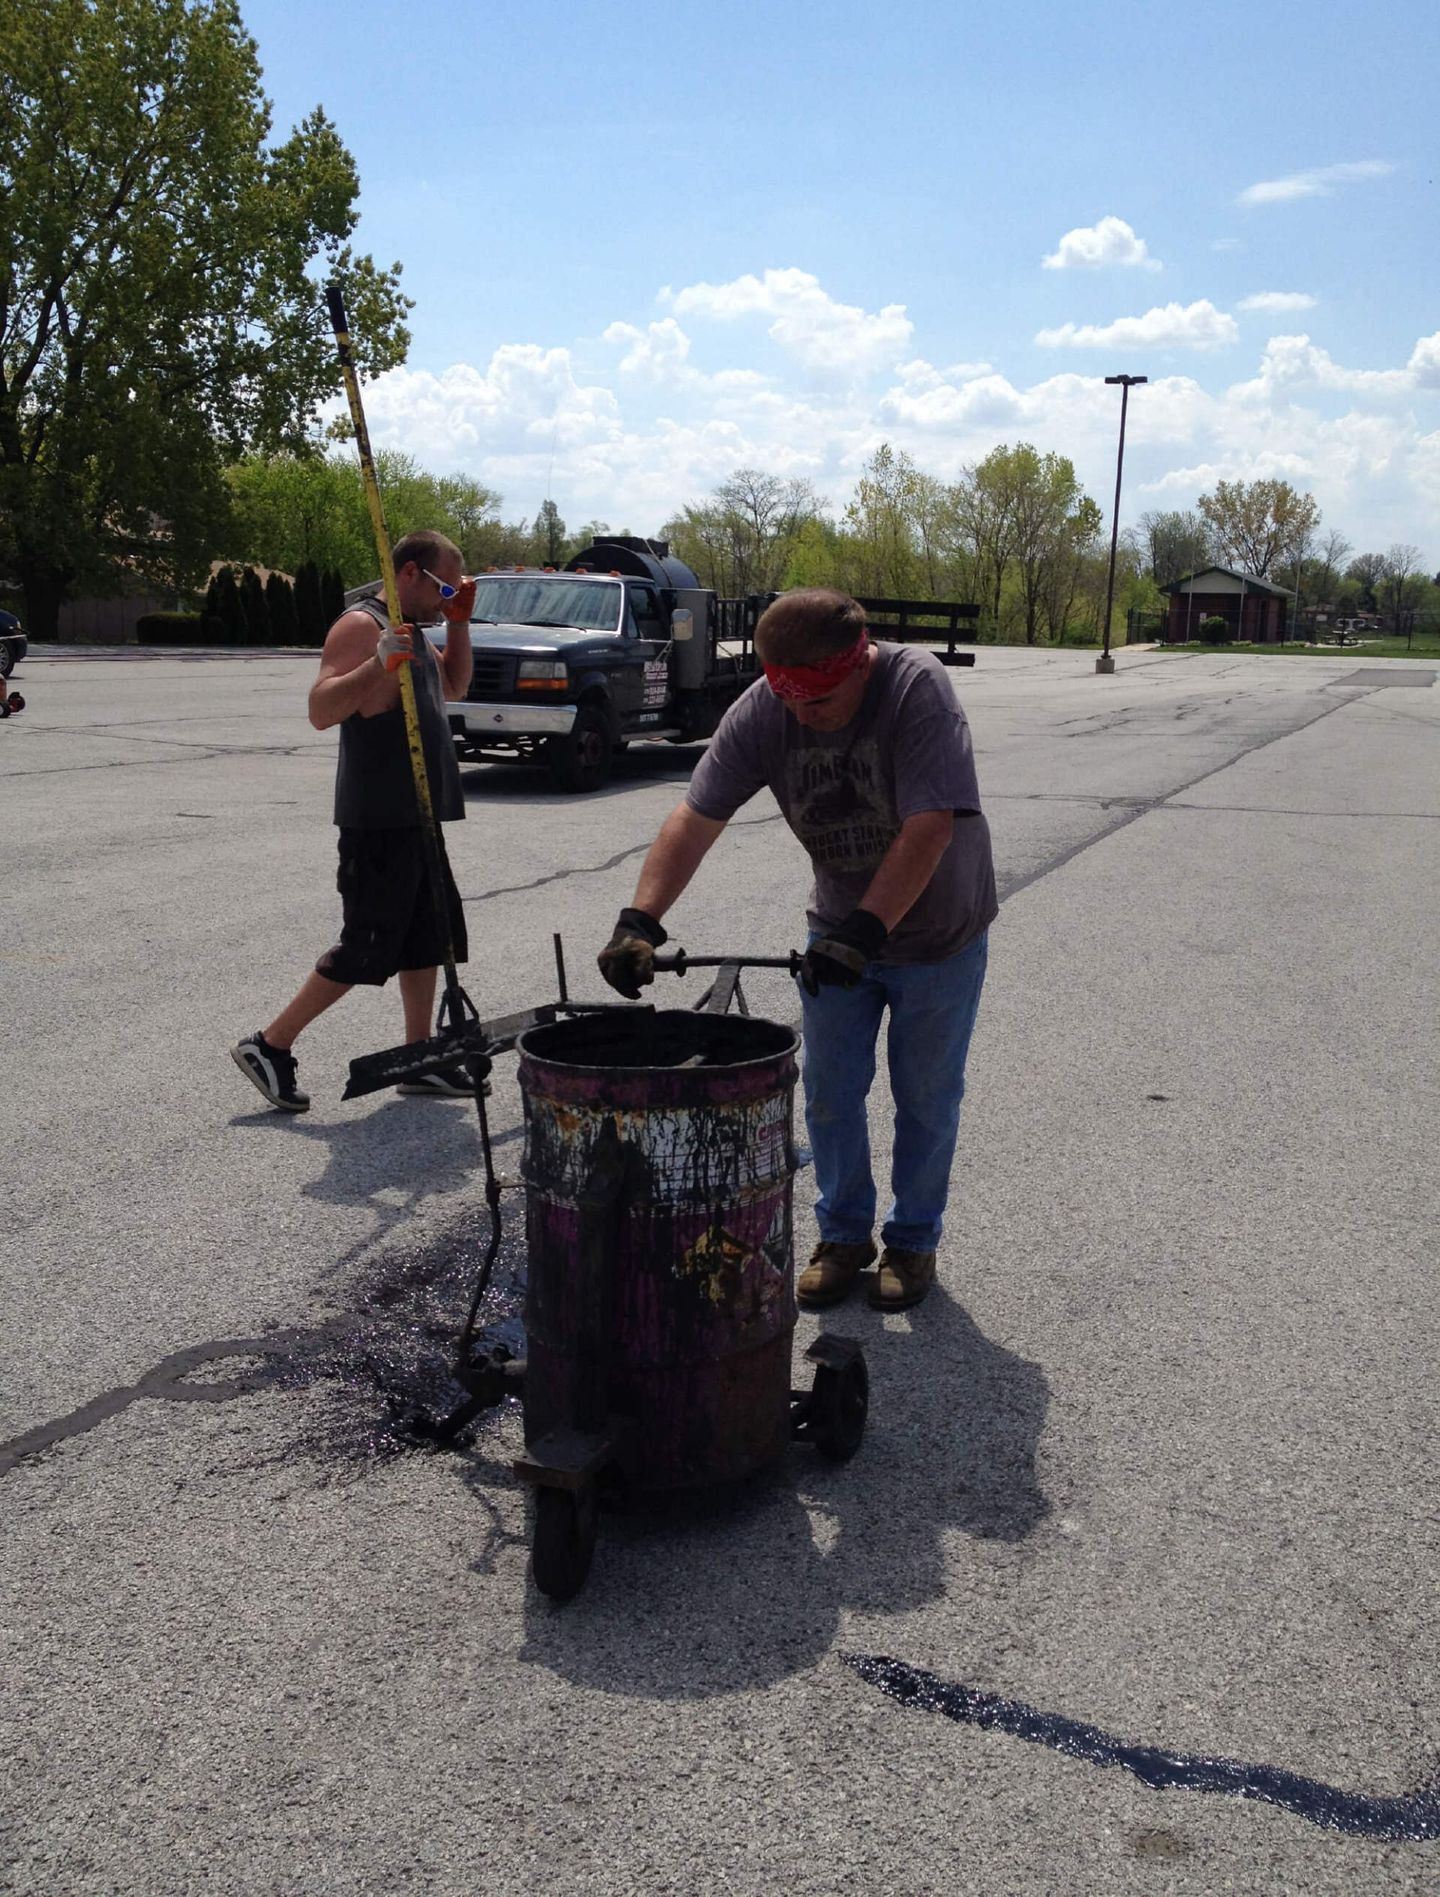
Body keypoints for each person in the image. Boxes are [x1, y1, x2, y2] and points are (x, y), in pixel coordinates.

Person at [597, 587, 995, 1312]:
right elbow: (696, 815)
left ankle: (912, 1240)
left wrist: (866, 933)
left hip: (940, 933)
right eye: (792, 702)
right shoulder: (767, 708)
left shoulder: (917, 688)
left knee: (926, 1095)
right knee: (830, 1093)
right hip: (839, 926)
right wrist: (640, 919)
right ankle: (843, 1236)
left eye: (821, 701)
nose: (805, 718)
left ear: (859, 661)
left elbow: (931, 827)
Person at [232, 530, 476, 1112]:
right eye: (445, 588)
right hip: (378, 819)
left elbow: (455, 685)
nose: (447, 598)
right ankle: (269, 1044)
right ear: (409, 573)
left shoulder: (415, 630)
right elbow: (321, 710)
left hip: (418, 816)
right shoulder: (363, 626)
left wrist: (460, 623)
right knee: (367, 947)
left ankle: (419, 1057)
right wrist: (376, 665)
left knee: (428, 939)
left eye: (456, 591)